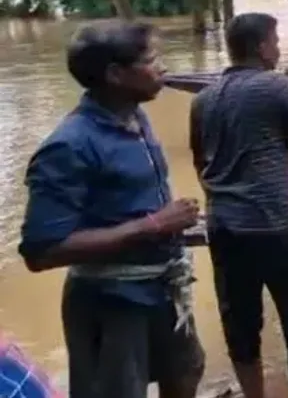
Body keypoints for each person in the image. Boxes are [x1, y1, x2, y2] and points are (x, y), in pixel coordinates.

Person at [19, 21, 204, 398]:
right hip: (112, 300)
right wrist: (153, 224)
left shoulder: (136, 116)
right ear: (116, 75)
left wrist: (171, 226)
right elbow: (41, 251)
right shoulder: (69, 146)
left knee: (186, 372)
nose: (163, 67)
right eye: (152, 59)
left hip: (162, 286)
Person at [190, 13, 288, 398]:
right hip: (274, 226)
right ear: (261, 47)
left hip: (224, 228)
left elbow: (200, 162)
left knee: (240, 320)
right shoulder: (278, 87)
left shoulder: (203, 98)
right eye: (276, 41)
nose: (279, 48)